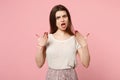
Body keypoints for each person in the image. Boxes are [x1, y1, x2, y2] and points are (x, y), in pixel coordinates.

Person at [35, 4, 90, 80]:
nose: (62, 20)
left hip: (70, 77)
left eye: (64, 16)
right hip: (52, 77)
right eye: (58, 18)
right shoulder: (47, 39)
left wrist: (84, 45)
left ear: (68, 18)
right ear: (54, 21)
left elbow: (86, 63)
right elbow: (39, 64)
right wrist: (40, 47)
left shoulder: (75, 39)